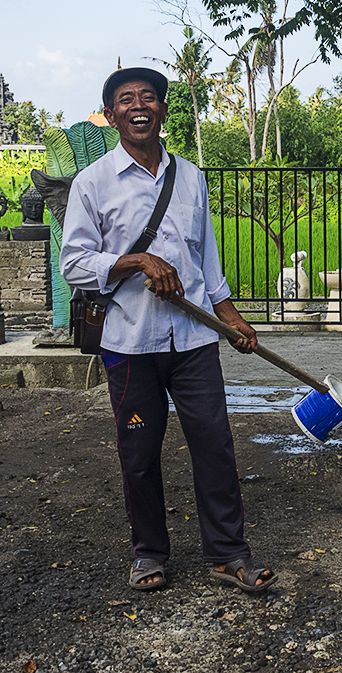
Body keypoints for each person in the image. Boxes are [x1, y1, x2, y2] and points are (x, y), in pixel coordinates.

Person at [60, 67, 276, 593]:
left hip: (194, 340)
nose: (139, 105)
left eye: (149, 97)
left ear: (161, 110)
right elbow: (73, 263)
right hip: (129, 342)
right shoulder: (92, 183)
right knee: (139, 451)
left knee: (215, 444)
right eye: (126, 99)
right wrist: (135, 261)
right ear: (111, 115)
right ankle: (149, 554)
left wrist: (230, 317)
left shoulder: (191, 177)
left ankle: (228, 554)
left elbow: (206, 259)